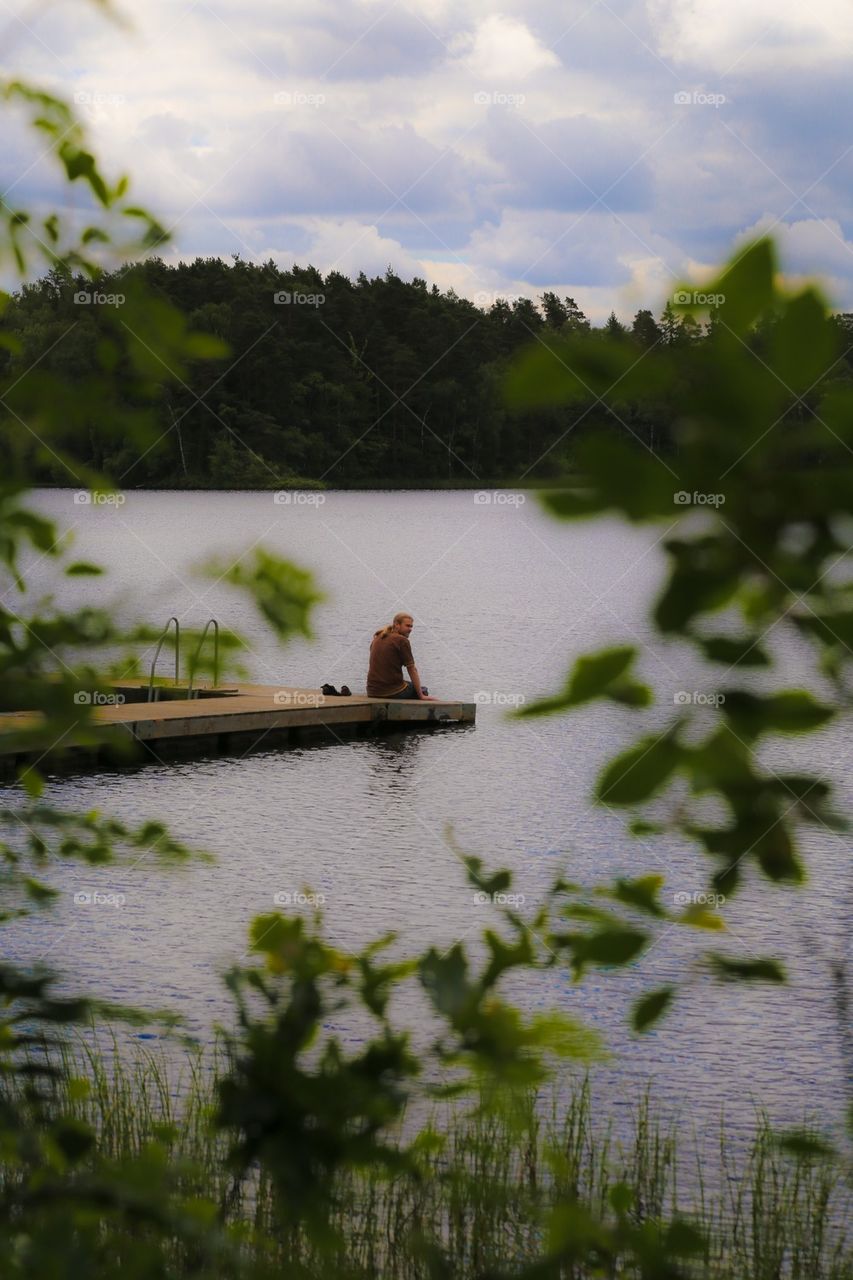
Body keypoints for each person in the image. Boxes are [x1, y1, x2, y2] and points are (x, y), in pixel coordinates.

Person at [366, 612, 437, 700]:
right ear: (397, 624)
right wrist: (421, 696)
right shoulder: (402, 640)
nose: (410, 629)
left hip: (372, 691)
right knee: (423, 690)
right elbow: (412, 669)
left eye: (411, 626)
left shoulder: (379, 636)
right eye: (407, 626)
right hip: (391, 692)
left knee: (410, 684)